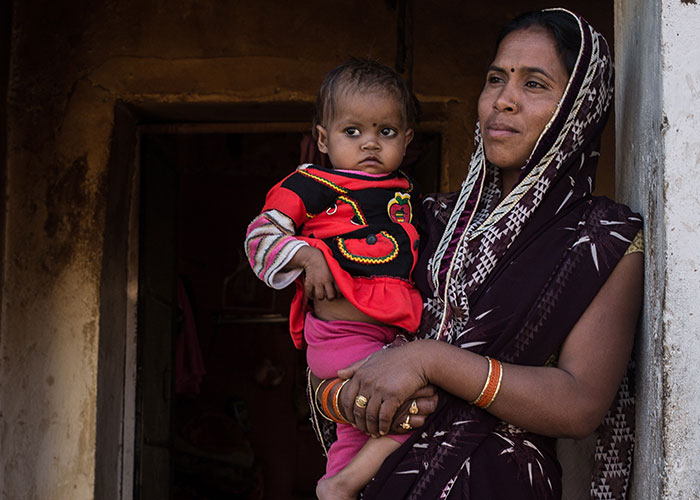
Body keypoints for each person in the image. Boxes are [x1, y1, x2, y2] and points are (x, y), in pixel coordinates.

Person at [310, 8, 643, 500]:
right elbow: (338, 333)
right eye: (496, 79)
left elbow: (579, 404)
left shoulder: (601, 239)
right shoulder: (423, 220)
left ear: (578, 108)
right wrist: (345, 396)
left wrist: (430, 360)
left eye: (534, 84)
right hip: (383, 481)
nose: (503, 101)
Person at [245, 59, 431, 499]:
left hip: (392, 338)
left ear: (406, 140)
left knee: (352, 438)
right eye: (353, 132)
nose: (370, 144)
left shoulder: (407, 195)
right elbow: (259, 236)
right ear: (323, 139)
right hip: (344, 336)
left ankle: (338, 484)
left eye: (385, 132)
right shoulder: (309, 185)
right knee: (420, 409)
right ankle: (343, 484)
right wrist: (306, 255)